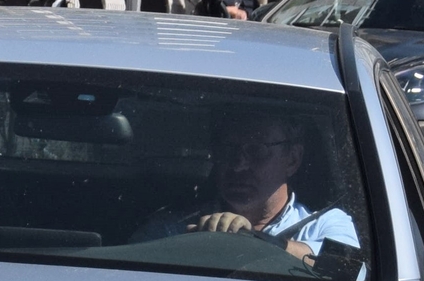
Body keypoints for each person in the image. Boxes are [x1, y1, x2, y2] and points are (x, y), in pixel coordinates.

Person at [135, 111, 358, 264]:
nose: (239, 164)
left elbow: (351, 272)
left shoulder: (326, 224)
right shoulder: (174, 228)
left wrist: (252, 240)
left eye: (257, 150)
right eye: (228, 149)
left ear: (292, 159)